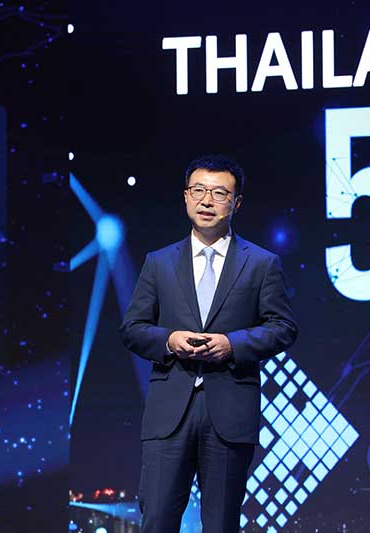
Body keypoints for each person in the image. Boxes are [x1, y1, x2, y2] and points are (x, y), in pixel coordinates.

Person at [119, 155, 298, 532]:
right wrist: (169, 339)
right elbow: (132, 328)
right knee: (157, 519)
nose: (206, 200)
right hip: (169, 414)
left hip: (230, 412)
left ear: (236, 203)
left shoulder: (261, 263)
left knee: (221, 524)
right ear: (185, 196)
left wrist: (232, 344)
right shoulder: (159, 262)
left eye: (219, 193)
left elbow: (283, 327)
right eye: (198, 190)